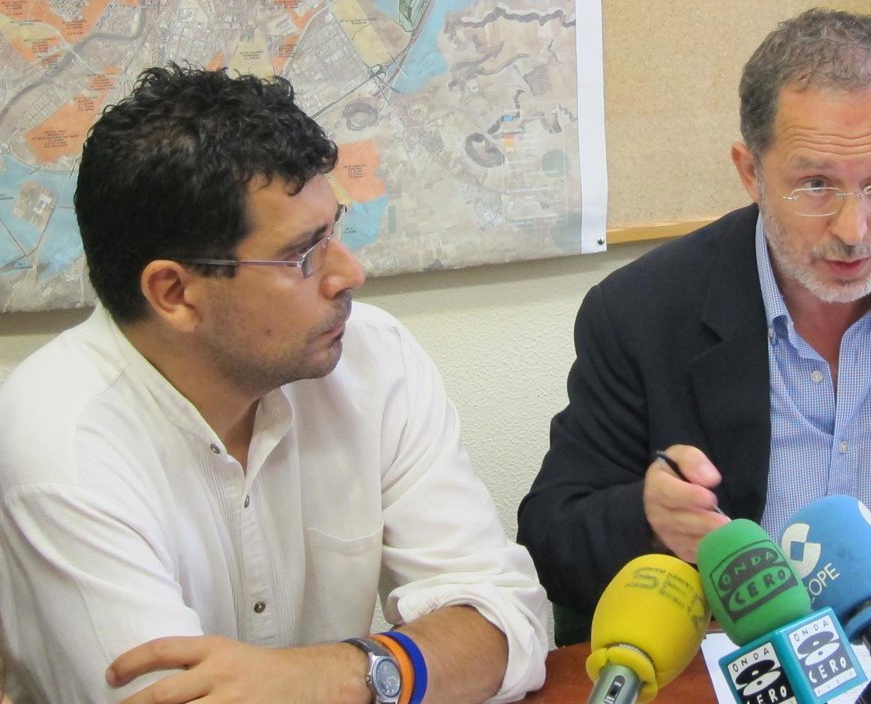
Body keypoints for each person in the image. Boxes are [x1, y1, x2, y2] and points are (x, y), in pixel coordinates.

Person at [517, 8, 871, 642]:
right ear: (750, 172)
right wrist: (648, 517)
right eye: (815, 185)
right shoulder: (642, 310)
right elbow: (551, 534)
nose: (853, 230)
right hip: (741, 656)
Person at [0, 65, 549, 702]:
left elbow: (508, 624)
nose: (350, 273)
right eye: (302, 254)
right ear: (174, 293)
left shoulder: (374, 357)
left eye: (335, 230)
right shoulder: (61, 447)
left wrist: (338, 675)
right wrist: (410, 667)